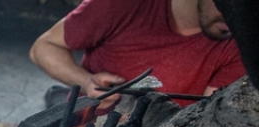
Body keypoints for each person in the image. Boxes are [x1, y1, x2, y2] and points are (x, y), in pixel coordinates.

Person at [29, 0, 244, 105]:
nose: (237, 19)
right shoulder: (123, 4)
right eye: (229, 4)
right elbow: (43, 47)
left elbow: (206, 117)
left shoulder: (238, 43)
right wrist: (85, 81)